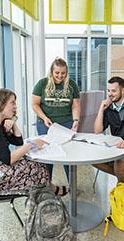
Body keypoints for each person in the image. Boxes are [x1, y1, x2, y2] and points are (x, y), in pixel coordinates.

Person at [0, 88, 67, 196]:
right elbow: (8, 159)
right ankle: (47, 194)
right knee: (36, 168)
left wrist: (13, 122)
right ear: (0, 104)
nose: (15, 106)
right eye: (12, 103)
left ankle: (47, 193)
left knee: (37, 165)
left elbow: (18, 141)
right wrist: (31, 145)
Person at [31, 57, 80, 185]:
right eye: (57, 73)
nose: (60, 76)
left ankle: (72, 186)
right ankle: (47, 185)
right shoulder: (42, 84)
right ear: (51, 71)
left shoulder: (72, 85)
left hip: (66, 123)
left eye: (63, 73)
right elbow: (35, 104)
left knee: (68, 154)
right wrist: (44, 117)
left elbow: (75, 105)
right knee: (48, 155)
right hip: (46, 124)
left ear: (66, 72)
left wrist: (76, 120)